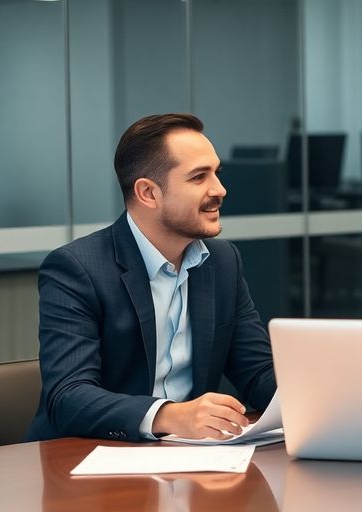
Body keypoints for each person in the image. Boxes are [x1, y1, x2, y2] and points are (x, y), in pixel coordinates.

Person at [26, 113, 275, 442]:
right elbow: (68, 397)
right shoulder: (76, 268)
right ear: (148, 193)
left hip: (188, 460)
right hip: (88, 461)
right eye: (199, 177)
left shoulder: (223, 262)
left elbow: (257, 373)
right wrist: (171, 415)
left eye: (217, 173)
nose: (220, 189)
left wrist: (329, 396)